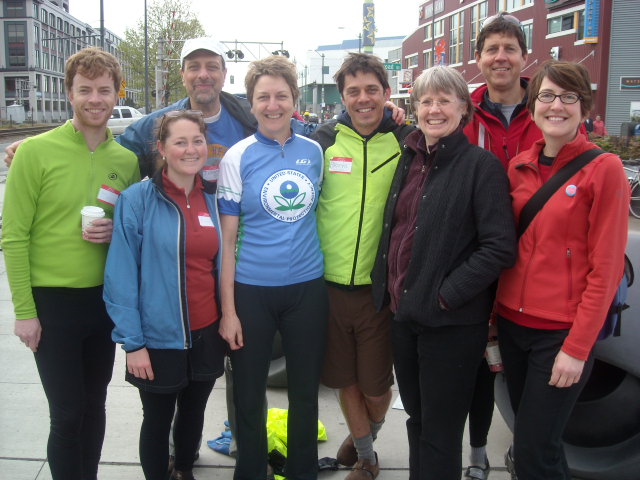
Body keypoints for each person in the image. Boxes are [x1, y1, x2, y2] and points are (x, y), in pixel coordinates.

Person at [371, 65, 516, 480]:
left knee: (441, 430)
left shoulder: (480, 166)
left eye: (444, 101)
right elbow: (397, 230)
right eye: (426, 101)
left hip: (450, 323)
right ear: (414, 108)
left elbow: (498, 247)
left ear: (463, 109)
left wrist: (444, 294)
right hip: (404, 318)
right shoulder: (411, 158)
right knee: (417, 420)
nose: (434, 110)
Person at [2, 47, 140, 480]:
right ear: (69, 93)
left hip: (102, 303)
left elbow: (133, 230)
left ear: (116, 93)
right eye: (85, 90)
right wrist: (25, 312)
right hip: (52, 304)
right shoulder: (34, 153)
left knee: (95, 405)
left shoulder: (126, 161)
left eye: (103, 90)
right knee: (66, 413)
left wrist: (116, 229)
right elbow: (13, 235)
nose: (95, 99)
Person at [495, 60, 629, 480]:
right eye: (547, 96)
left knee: (535, 449)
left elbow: (606, 270)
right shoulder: (518, 166)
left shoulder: (604, 169)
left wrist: (577, 348)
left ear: (584, 107)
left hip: (560, 334)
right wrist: (492, 325)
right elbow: (502, 251)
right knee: (539, 446)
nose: (557, 105)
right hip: (512, 326)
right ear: (533, 105)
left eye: (568, 97)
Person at [217, 55, 328, 480]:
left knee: (305, 393)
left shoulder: (314, 152)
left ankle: (302, 472)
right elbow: (227, 242)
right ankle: (250, 471)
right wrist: (228, 311)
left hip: (306, 291)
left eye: (281, 95)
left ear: (295, 99)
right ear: (252, 102)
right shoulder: (237, 157)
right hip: (251, 292)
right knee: (248, 394)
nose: (273, 105)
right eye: (263, 97)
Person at [104, 110, 226, 480]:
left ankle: (185, 469)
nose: (191, 149)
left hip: (207, 331)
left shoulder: (214, 201)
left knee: (194, 412)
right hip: (157, 337)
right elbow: (120, 276)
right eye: (180, 142)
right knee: (156, 419)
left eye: (197, 140)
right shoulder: (138, 200)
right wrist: (133, 343)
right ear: (162, 148)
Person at [313, 52, 414, 479]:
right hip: (328, 285)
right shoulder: (321, 141)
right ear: (342, 96)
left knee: (376, 387)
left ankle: (360, 438)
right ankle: (369, 460)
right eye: (353, 91)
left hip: (379, 290)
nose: (363, 98)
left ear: (387, 94)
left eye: (372, 89)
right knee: (342, 380)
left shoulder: (409, 142)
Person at [461, 12, 539, 478]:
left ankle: (527, 451)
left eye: (510, 47)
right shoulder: (462, 110)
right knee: (476, 368)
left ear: (523, 56)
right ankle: (477, 453)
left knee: (527, 370)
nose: (501, 57)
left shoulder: (549, 106)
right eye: (491, 49)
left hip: (533, 267)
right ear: (478, 58)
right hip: (476, 264)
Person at [118, 37, 257, 179]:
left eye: (212, 67)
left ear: (224, 74)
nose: (203, 75)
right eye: (194, 67)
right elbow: (111, 160)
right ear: (182, 75)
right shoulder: (157, 125)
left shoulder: (252, 118)